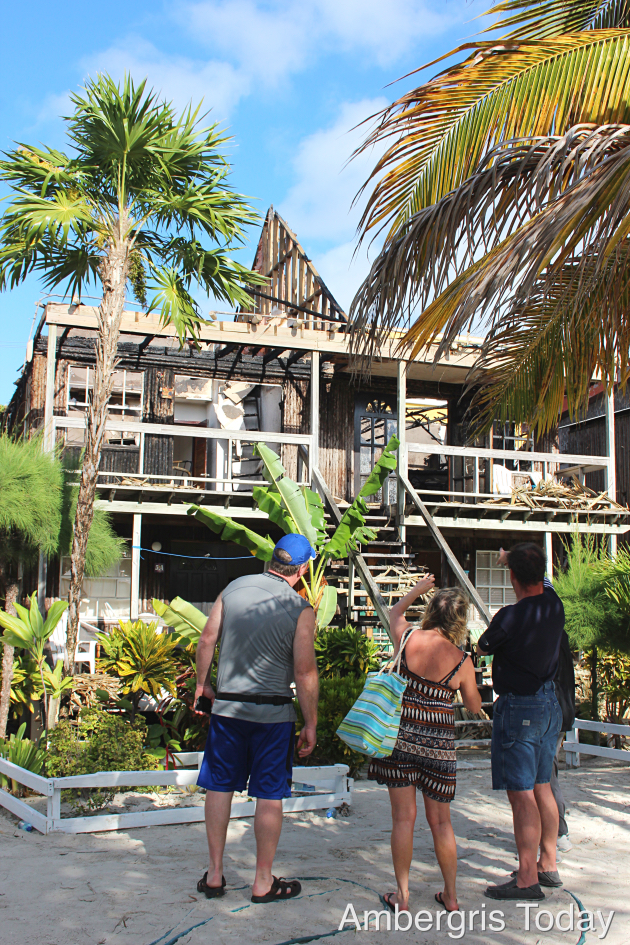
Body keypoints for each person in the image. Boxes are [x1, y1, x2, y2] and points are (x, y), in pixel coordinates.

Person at [194, 533, 319, 904]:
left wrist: (202, 685)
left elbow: (206, 639)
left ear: (273, 559)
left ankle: (215, 875)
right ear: (303, 568)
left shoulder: (233, 589)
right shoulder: (300, 609)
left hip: (228, 709)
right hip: (273, 715)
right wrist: (310, 722)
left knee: (219, 786)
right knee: (268, 795)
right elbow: (305, 671)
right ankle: (262, 882)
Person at [368, 579, 482, 914]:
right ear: (459, 622)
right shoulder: (462, 660)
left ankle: (402, 898)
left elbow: (394, 613)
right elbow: (474, 707)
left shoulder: (408, 639)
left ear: (431, 612)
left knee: (403, 819)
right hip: (439, 747)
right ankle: (451, 896)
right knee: (441, 823)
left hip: (401, 740)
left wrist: (417, 589)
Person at [477, 543, 564, 902]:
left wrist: (508, 562)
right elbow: (539, 577)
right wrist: (513, 559)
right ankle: (548, 862)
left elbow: (483, 646)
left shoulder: (510, 617)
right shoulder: (553, 605)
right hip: (549, 703)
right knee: (543, 785)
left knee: (522, 793)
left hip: (520, 707)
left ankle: (526, 877)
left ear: (512, 577)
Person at [552, 627, 576, 852]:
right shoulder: (560, 635)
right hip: (563, 711)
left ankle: (559, 832)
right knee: (550, 774)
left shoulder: (548, 637)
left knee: (546, 777)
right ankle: (557, 832)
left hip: (553, 713)